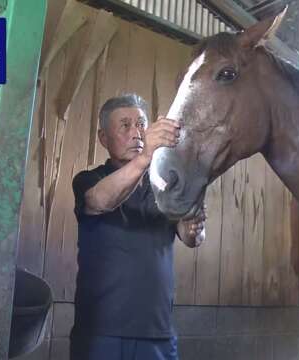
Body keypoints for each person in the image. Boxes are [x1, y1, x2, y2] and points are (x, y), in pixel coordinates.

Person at [70, 93, 205, 360]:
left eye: (141, 124)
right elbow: (100, 201)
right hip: (100, 332)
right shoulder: (89, 180)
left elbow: (192, 237)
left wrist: (194, 226)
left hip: (158, 333)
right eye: (125, 125)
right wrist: (145, 158)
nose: (137, 133)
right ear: (103, 138)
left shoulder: (165, 185)